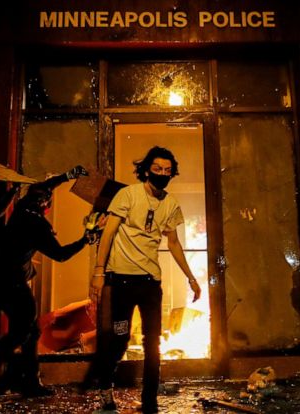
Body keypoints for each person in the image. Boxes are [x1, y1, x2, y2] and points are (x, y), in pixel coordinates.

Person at [0, 165, 90, 406]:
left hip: (3, 282)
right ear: (45, 206)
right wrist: (86, 239)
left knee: (30, 332)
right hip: (14, 285)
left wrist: (66, 176)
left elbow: (44, 188)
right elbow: (60, 255)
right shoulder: (36, 223)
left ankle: (30, 382)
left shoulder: (21, 208)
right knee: (22, 333)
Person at [83, 146, 200, 414]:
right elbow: (108, 234)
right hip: (122, 281)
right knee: (120, 339)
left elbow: (173, 243)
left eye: (167, 171)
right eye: (157, 169)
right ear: (147, 170)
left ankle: (150, 401)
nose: (162, 174)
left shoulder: (170, 204)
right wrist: (98, 272)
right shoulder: (127, 195)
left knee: (153, 342)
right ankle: (105, 389)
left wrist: (191, 278)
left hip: (150, 284)